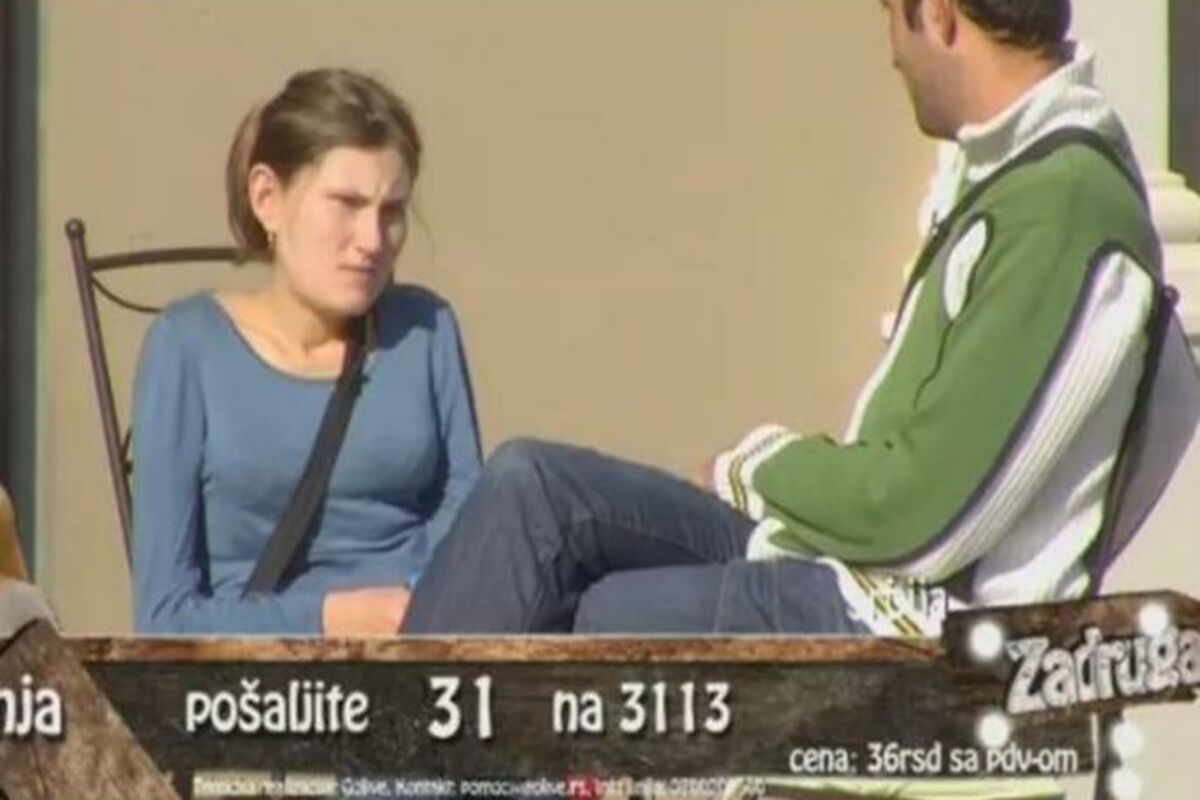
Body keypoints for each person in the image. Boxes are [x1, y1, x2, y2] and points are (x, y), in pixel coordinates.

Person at [403, 0, 1165, 635]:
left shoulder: (1061, 205)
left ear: (937, 15)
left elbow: (920, 515)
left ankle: (397, 757)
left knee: (587, 616)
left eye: (889, 17)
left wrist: (756, 467)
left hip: (904, 624)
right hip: (845, 569)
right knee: (532, 488)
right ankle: (387, 755)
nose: (892, 56)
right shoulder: (1016, 179)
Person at [132, 69, 482, 635]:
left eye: (392, 211)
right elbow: (163, 619)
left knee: (547, 508)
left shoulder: (424, 329)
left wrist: (415, 607)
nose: (372, 240)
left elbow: (471, 538)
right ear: (267, 198)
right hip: (268, 671)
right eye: (346, 203)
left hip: (422, 650)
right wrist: (331, 617)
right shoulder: (188, 347)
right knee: (534, 481)